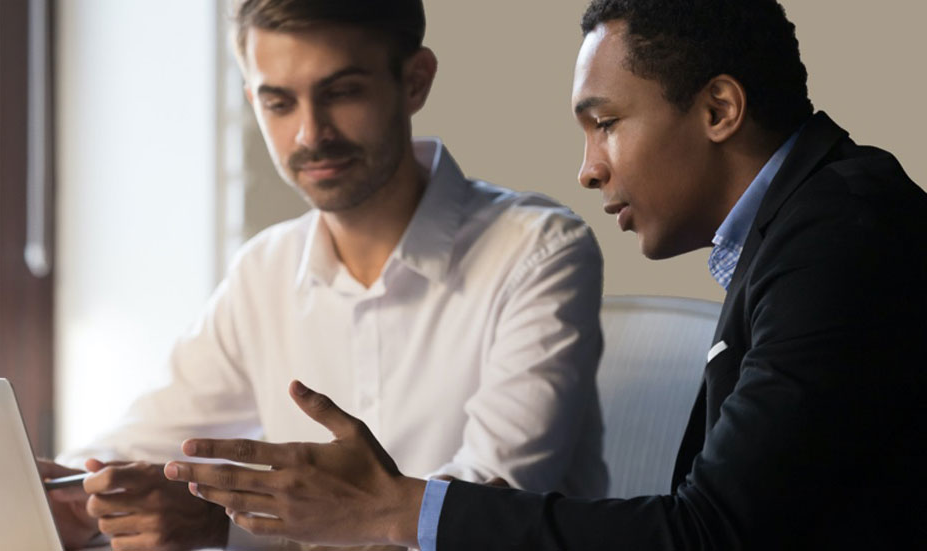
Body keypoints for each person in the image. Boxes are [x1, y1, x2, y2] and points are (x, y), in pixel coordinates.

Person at [164, 0, 927, 549]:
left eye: (606, 123)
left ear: (720, 107)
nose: (587, 169)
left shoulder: (840, 234)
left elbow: (710, 530)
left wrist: (398, 509)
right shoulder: (804, 225)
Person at [41, 1, 610, 549]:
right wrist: (73, 493)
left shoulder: (538, 252)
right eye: (279, 104)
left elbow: (483, 510)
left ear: (415, 81)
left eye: (341, 93)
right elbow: (143, 440)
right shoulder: (265, 270)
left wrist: (227, 528)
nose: (310, 134)